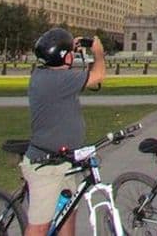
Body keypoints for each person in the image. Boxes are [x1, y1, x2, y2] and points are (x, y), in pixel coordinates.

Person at [21, 28, 106, 236]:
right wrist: (99, 52)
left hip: (65, 161)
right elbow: (98, 75)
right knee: (39, 227)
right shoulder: (58, 81)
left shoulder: (48, 74)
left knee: (67, 218)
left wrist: (69, 49)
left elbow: (66, 69)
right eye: (69, 53)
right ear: (64, 57)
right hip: (46, 166)